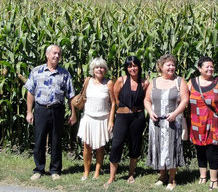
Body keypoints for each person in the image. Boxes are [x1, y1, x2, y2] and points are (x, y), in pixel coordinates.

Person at [25, 44, 77, 181]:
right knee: (39, 140)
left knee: (56, 141)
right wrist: (29, 112)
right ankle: (39, 169)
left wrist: (73, 114)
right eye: (54, 53)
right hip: (41, 109)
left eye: (59, 54)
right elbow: (30, 92)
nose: (56, 56)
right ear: (47, 55)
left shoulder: (64, 74)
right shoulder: (37, 71)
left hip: (57, 110)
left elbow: (71, 96)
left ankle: (55, 170)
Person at [144, 54, 189, 191]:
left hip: (173, 122)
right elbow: (147, 100)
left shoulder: (180, 82)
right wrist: (150, 112)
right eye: (168, 65)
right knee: (158, 147)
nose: (171, 67)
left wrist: (175, 114)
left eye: (173, 65)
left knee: (171, 148)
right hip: (156, 123)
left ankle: (172, 179)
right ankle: (162, 175)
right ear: (161, 67)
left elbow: (185, 100)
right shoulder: (154, 82)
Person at [105, 56, 149, 188]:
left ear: (139, 67)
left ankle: (131, 174)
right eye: (130, 66)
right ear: (126, 68)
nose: (132, 68)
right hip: (122, 117)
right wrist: (124, 109)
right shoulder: (121, 80)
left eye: (135, 65)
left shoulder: (144, 83)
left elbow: (146, 100)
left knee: (134, 145)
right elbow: (116, 98)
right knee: (116, 144)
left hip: (138, 117)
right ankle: (112, 176)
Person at [187, 56, 218, 190]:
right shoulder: (191, 82)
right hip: (196, 122)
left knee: (212, 150)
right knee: (199, 149)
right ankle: (202, 176)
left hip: (213, 122)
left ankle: (214, 179)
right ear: (199, 68)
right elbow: (182, 99)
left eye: (212, 66)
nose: (210, 69)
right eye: (207, 67)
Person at [75, 57, 115, 181]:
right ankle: (86, 172)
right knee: (87, 146)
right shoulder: (88, 81)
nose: (99, 69)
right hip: (88, 117)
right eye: (97, 67)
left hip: (102, 118)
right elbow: (82, 97)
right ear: (93, 69)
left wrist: (111, 120)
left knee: (100, 147)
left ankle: (97, 171)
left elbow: (113, 103)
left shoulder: (109, 83)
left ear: (105, 69)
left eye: (102, 67)